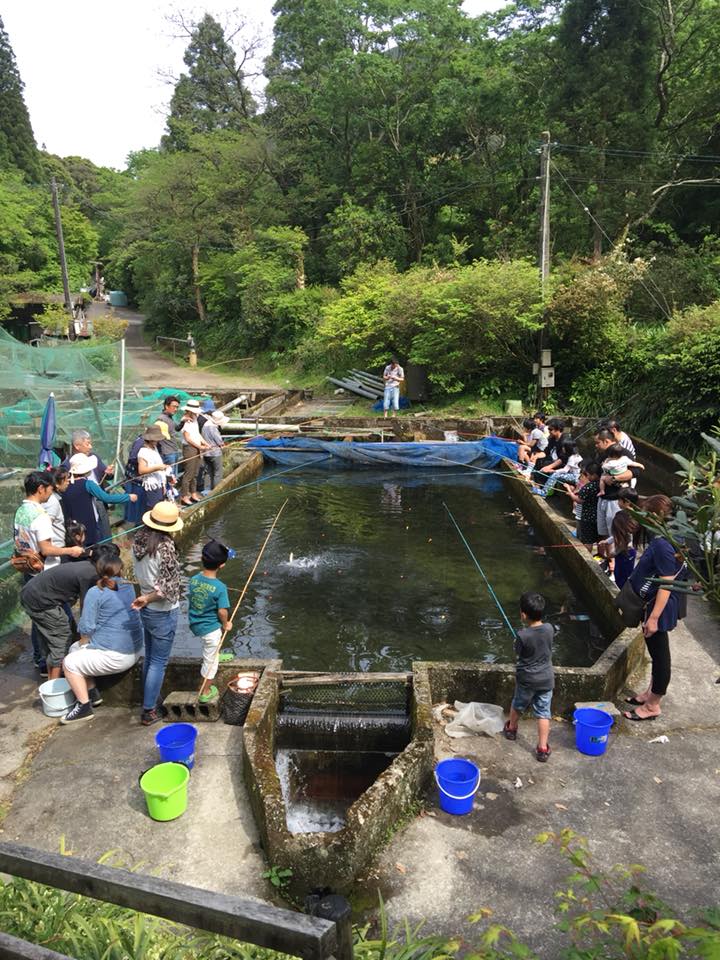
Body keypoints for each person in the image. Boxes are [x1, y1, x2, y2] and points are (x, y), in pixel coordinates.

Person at [60, 555, 143, 726]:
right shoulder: (128, 586)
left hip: (116, 656)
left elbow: (86, 628)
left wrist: (88, 638)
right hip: (135, 649)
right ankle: (92, 694)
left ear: (98, 571)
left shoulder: (95, 592)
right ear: (120, 569)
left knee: (69, 662)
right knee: (76, 649)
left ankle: (83, 707)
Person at [20, 546, 116, 682]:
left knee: (54, 640)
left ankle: (53, 674)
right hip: (40, 600)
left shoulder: (88, 566)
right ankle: (54, 687)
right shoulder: (91, 575)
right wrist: (88, 634)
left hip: (33, 593)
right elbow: (87, 608)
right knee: (62, 639)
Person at [622, 528, 686, 721]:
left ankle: (652, 706)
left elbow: (666, 584)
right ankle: (648, 695)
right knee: (656, 653)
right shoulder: (672, 539)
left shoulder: (663, 546)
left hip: (659, 607)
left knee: (660, 657)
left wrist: (653, 618)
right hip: (657, 604)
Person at [131, 501, 184, 725]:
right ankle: (149, 710)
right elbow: (167, 588)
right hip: (161, 611)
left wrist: (144, 598)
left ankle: (150, 700)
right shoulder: (165, 548)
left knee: (150, 657)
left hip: (147, 612)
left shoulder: (138, 541)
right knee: (158, 662)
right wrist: (148, 597)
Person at [503, 591, 554, 762]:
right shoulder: (549, 628)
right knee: (543, 713)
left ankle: (511, 729)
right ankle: (542, 748)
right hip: (546, 679)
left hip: (526, 680)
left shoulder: (522, 635)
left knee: (518, 704)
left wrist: (516, 642)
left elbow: (518, 654)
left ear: (523, 615)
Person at [189, 540, 234, 704]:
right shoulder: (220, 587)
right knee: (210, 663)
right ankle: (205, 691)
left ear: (202, 558)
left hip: (196, 624)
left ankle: (216, 653)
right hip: (211, 629)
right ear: (222, 565)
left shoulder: (193, 579)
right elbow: (222, 611)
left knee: (211, 646)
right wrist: (225, 623)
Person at [63, 453, 137, 547]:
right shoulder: (88, 484)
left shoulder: (66, 484)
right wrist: (128, 497)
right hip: (88, 525)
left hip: (72, 525)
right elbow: (106, 498)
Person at [594, 429, 643, 540]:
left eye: (598, 443)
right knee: (603, 531)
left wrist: (614, 478)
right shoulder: (603, 455)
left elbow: (635, 471)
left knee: (616, 531)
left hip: (616, 499)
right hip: (603, 497)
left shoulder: (622, 453)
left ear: (606, 441)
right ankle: (607, 555)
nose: (596, 445)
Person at [179, 400, 210, 506]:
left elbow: (197, 434)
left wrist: (205, 443)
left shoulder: (195, 419)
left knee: (195, 473)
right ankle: (184, 495)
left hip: (197, 448)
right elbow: (187, 438)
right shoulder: (186, 421)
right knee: (189, 474)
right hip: (190, 449)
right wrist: (200, 446)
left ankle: (193, 493)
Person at [565, 461, 601, 550]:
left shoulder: (589, 486)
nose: (587, 477)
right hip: (599, 516)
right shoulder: (602, 484)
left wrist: (570, 493)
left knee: (587, 541)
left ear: (594, 475)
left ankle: (587, 555)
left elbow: (579, 500)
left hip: (587, 517)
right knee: (597, 538)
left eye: (588, 475)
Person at [136, 425, 174, 510]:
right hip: (152, 485)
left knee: (160, 506)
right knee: (154, 509)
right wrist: (157, 467)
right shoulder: (143, 451)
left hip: (159, 483)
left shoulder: (154, 448)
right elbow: (141, 470)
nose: (158, 440)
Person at [42, 467, 72, 570]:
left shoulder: (53, 498)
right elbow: (45, 526)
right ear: (56, 484)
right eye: (66, 480)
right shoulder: (52, 502)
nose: (68, 482)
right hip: (55, 549)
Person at [201, 410, 229, 492]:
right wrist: (222, 444)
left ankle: (206, 490)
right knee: (218, 472)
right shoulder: (213, 427)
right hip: (215, 453)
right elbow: (219, 441)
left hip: (206, 452)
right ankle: (216, 490)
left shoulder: (205, 425)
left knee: (208, 471)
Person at [156, 396, 182, 473]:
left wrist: (183, 422)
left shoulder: (170, 418)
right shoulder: (161, 419)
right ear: (166, 406)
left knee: (173, 477)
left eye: (177, 407)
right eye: (174, 407)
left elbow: (176, 429)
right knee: (170, 477)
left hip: (173, 451)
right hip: (167, 452)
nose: (176, 409)